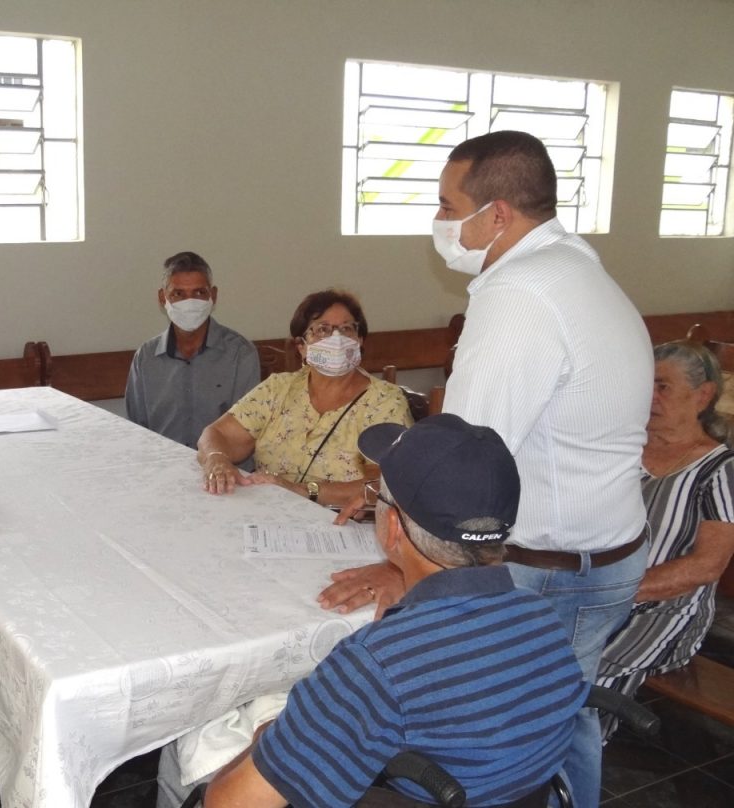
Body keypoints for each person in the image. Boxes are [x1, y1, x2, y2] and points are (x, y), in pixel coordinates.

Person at [321, 130, 653, 807]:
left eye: (449, 205)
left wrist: (400, 559)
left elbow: (461, 457)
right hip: (610, 552)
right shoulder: (578, 266)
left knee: (482, 727)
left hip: (546, 569)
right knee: (567, 712)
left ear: (498, 213)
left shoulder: (518, 295)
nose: (442, 224)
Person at [201, 415, 588, 808]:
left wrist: (271, 737)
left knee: (203, 747)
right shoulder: (543, 619)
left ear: (392, 526)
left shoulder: (377, 662)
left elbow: (228, 803)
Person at [597, 340, 734, 726]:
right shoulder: (622, 449)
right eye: (645, 386)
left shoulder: (718, 469)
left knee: (584, 675)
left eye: (663, 386)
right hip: (599, 593)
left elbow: (707, 565)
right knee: (526, 654)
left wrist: (619, 589)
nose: (650, 397)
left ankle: (566, 773)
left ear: (703, 395)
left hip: (667, 611)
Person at [198, 289, 411, 508]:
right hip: (270, 513)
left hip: (345, 523)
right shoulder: (278, 388)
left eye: (346, 328)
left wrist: (301, 490)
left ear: (360, 340)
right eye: (322, 330)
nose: (336, 338)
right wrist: (217, 458)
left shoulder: (385, 401)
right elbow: (215, 433)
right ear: (302, 347)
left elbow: (387, 485)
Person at [125, 251, 260, 450]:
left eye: (199, 293)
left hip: (226, 472)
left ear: (212, 296)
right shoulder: (146, 358)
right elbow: (137, 427)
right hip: (163, 467)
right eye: (178, 294)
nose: (190, 303)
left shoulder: (240, 354)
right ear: (163, 298)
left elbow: (247, 429)